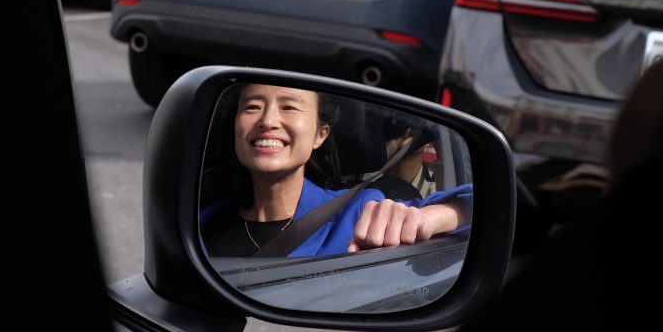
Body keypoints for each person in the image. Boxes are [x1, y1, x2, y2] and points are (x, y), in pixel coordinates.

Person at [200, 83, 471, 257]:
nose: (268, 120)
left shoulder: (359, 210)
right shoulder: (203, 222)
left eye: (289, 107)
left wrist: (431, 218)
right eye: (252, 107)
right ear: (236, 127)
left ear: (320, 134)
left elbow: (482, 206)